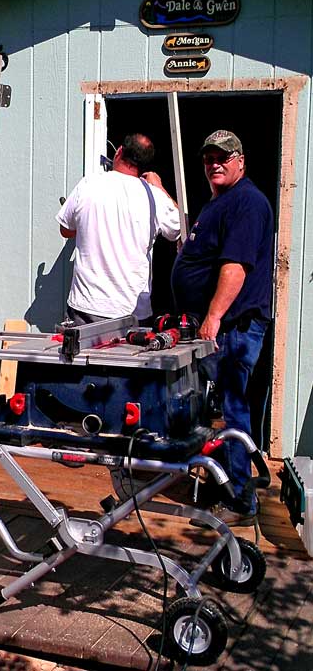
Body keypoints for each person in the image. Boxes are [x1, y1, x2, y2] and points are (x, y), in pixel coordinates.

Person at [171, 129, 274, 526]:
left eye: (223, 157)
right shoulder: (222, 201)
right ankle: (224, 482)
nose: (215, 163)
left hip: (233, 327)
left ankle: (240, 502)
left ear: (241, 160)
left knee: (233, 410)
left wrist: (213, 316)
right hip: (218, 327)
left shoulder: (246, 203)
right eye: (208, 158)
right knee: (219, 409)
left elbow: (236, 267)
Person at [56, 133, 180, 326]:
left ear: (119, 151)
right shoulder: (154, 196)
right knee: (129, 356)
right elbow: (179, 229)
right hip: (132, 310)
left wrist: (90, 226)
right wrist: (160, 187)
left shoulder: (89, 184)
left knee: (85, 356)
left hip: (87, 306)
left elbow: (65, 230)